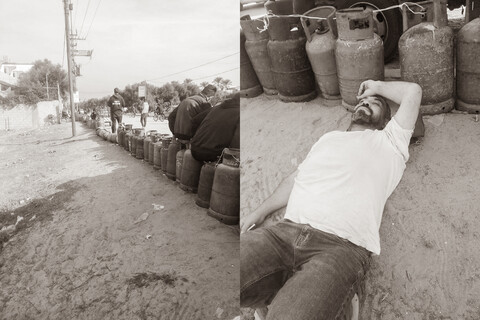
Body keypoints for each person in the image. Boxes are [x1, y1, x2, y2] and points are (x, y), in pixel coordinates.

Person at [240, 80, 422, 320]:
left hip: (339, 248)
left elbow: (413, 92)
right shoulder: (328, 139)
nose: (365, 103)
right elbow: (296, 179)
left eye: (374, 104)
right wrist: (260, 212)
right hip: (283, 234)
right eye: (363, 102)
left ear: (386, 121)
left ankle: (335, 302)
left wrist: (375, 87)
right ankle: (276, 293)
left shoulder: (390, 142)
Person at [190, 93, 240, 162]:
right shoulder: (239, 113)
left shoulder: (216, 108)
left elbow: (196, 120)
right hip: (211, 154)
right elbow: (236, 144)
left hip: (194, 149)